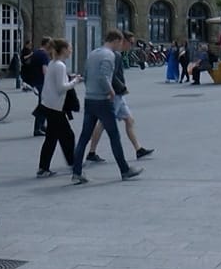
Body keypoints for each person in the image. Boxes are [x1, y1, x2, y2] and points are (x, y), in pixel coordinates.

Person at [70, 30, 143, 185]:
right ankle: (124, 170)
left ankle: (76, 172)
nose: (120, 46)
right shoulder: (109, 56)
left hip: (90, 98)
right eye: (120, 42)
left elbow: (87, 74)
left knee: (84, 136)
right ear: (116, 40)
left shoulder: (93, 54)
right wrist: (110, 91)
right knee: (114, 136)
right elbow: (104, 77)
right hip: (103, 100)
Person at [85, 31, 153, 163]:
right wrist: (120, 88)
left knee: (129, 120)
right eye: (131, 43)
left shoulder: (117, 54)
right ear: (123, 41)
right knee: (103, 124)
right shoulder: (115, 55)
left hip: (118, 94)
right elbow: (112, 76)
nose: (131, 46)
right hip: (115, 94)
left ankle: (138, 149)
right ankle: (92, 152)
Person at [36, 38, 80, 178]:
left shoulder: (53, 64)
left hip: (48, 104)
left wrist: (69, 78)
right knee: (68, 135)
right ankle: (73, 163)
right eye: (69, 48)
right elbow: (61, 88)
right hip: (55, 107)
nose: (71, 51)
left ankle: (43, 168)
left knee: (52, 137)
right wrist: (75, 81)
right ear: (63, 50)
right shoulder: (60, 65)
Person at [27, 37, 51, 136]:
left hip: (36, 81)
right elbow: (45, 70)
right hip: (42, 82)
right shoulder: (44, 55)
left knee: (43, 104)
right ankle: (38, 128)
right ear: (47, 44)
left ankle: (41, 125)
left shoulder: (36, 52)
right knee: (43, 105)